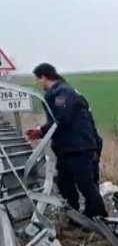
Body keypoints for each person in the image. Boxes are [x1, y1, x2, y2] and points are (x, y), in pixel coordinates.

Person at [25, 63, 107, 218]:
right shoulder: (62, 92)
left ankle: (99, 217)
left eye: (38, 79)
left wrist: (41, 131)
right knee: (64, 183)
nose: (38, 83)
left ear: (44, 77)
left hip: (78, 147)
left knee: (86, 185)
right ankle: (75, 215)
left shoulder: (63, 93)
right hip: (68, 148)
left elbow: (62, 119)